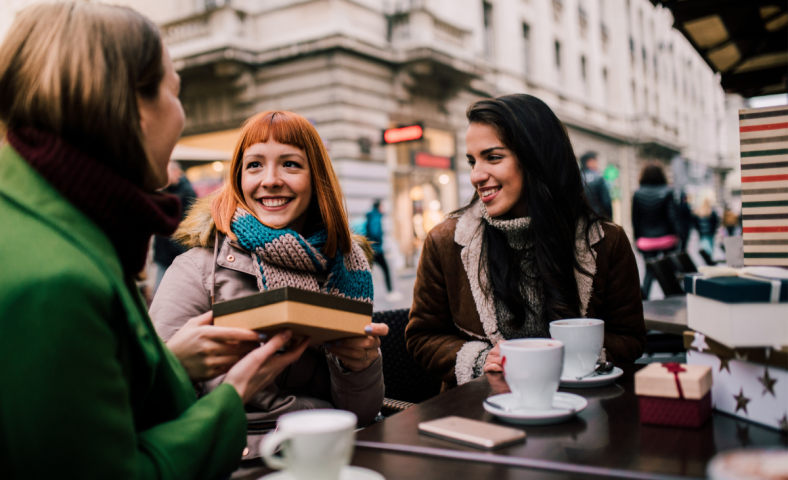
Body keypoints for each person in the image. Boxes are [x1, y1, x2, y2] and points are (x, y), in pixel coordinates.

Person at [0, 4, 307, 479]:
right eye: (175, 91)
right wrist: (234, 392)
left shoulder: (52, 220)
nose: (181, 117)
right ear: (130, 106)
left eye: (291, 165)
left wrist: (166, 364)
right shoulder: (57, 279)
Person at [149, 111, 387, 452]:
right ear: (238, 179)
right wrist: (192, 369)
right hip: (235, 454)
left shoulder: (346, 267)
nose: (271, 179)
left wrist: (360, 366)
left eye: (290, 164)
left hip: (327, 449)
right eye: (255, 165)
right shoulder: (196, 269)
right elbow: (155, 402)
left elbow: (361, 413)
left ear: (316, 178)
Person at [405, 94, 646, 390]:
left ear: (536, 158)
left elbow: (631, 339)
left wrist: (577, 357)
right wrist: (481, 360)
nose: (476, 176)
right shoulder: (446, 242)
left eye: (493, 157)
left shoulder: (606, 241)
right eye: (472, 161)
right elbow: (422, 338)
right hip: (481, 415)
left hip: (583, 411)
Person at [631, 163, 681, 298]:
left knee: (649, 269)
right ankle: (673, 299)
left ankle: (644, 300)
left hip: (646, 240)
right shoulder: (667, 191)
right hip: (667, 239)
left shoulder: (637, 193)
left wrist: (637, 239)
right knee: (668, 269)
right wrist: (678, 235)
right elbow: (673, 216)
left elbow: (635, 220)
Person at [154, 160, 197, 290]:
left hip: (178, 252)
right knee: (160, 291)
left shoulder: (186, 193)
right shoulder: (164, 190)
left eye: (166, 173)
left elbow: (188, 222)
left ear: (176, 172)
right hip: (163, 253)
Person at [366, 200, 402, 302]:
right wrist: (379, 243)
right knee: (386, 270)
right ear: (379, 207)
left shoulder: (373, 216)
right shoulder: (376, 218)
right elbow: (375, 233)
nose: (384, 208)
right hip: (376, 250)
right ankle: (390, 293)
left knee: (368, 270)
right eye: (383, 206)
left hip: (373, 249)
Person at [579, 151, 613, 219]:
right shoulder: (598, 177)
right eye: (596, 161)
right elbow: (606, 202)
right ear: (590, 162)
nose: (597, 164)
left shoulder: (576, 177)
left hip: (580, 218)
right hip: (597, 217)